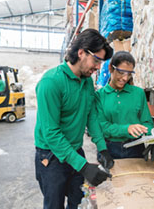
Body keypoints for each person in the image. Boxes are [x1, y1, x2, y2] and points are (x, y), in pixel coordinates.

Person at [34, 29, 114, 209]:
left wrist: (103, 149)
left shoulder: (86, 82)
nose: (98, 68)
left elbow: (91, 116)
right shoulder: (51, 82)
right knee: (54, 205)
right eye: (96, 60)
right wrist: (84, 167)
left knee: (79, 202)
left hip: (75, 150)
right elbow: (51, 133)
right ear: (81, 52)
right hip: (51, 155)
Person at [95, 51, 154, 162]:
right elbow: (102, 127)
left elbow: (146, 122)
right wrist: (127, 129)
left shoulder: (138, 93)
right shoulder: (100, 96)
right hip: (109, 149)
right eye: (121, 72)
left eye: (129, 74)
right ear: (111, 68)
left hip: (136, 148)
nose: (125, 78)